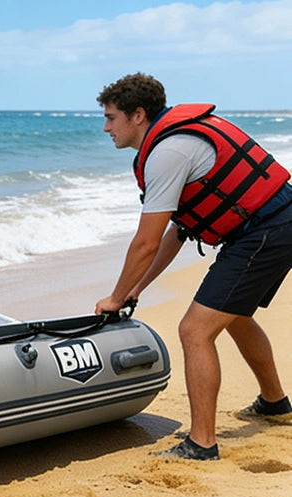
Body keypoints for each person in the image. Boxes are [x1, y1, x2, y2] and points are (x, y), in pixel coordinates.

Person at [94, 72, 292, 460]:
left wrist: (116, 297)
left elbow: (146, 242)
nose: (106, 127)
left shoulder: (167, 153)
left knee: (194, 330)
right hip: (273, 223)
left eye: (111, 117)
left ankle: (201, 443)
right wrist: (135, 290)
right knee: (232, 314)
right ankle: (275, 404)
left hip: (267, 231)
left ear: (137, 116)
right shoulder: (176, 141)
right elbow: (177, 231)